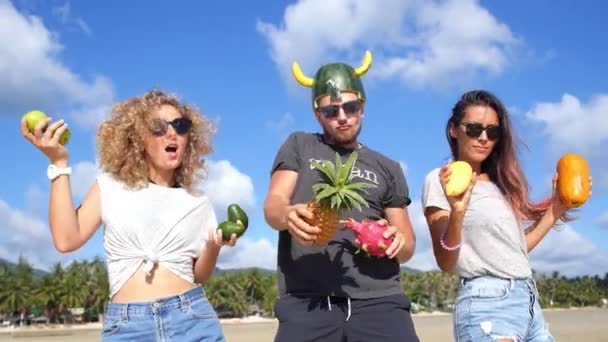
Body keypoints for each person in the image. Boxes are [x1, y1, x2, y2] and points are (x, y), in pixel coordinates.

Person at [21, 89, 238, 341]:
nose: (172, 133)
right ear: (139, 139)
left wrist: (213, 247)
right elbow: (66, 240)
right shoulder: (110, 186)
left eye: (180, 126)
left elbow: (198, 275)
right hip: (128, 327)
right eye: (158, 127)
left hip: (193, 320)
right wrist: (59, 163)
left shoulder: (199, 202)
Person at [263, 51, 420, 341]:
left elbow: (408, 246)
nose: (343, 117)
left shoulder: (388, 167)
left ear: (363, 106)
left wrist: (397, 241)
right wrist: (286, 215)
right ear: (317, 114)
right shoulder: (300, 145)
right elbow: (273, 206)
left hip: (380, 299)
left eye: (351, 107)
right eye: (331, 111)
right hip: (307, 301)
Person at [421, 89, 593, 342]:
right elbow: (446, 261)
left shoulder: (498, 186)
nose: (483, 138)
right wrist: (458, 211)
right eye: (474, 129)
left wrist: (557, 208)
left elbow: (515, 252)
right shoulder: (440, 180)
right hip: (487, 304)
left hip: (529, 304)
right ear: (454, 130)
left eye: (492, 132)